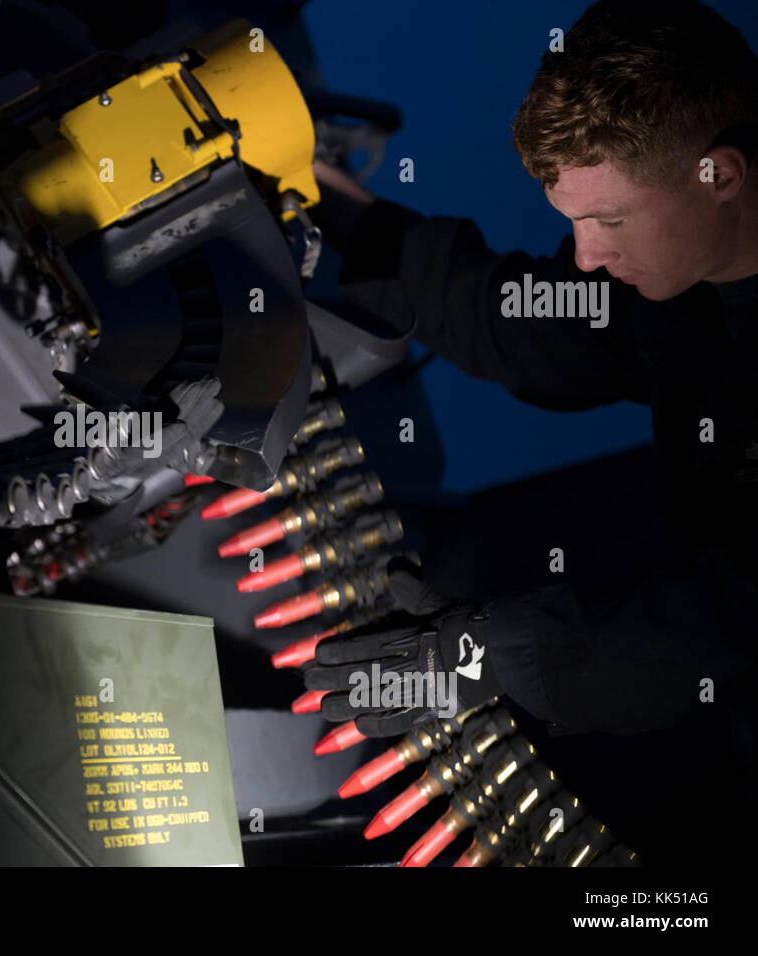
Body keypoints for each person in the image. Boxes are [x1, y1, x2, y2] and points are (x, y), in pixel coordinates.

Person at [299, 0, 757, 769]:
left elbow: (737, 616)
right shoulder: (675, 287)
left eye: (609, 220)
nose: (583, 257)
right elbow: (513, 322)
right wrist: (322, 199)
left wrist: (485, 654)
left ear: (722, 175)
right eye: (572, 221)